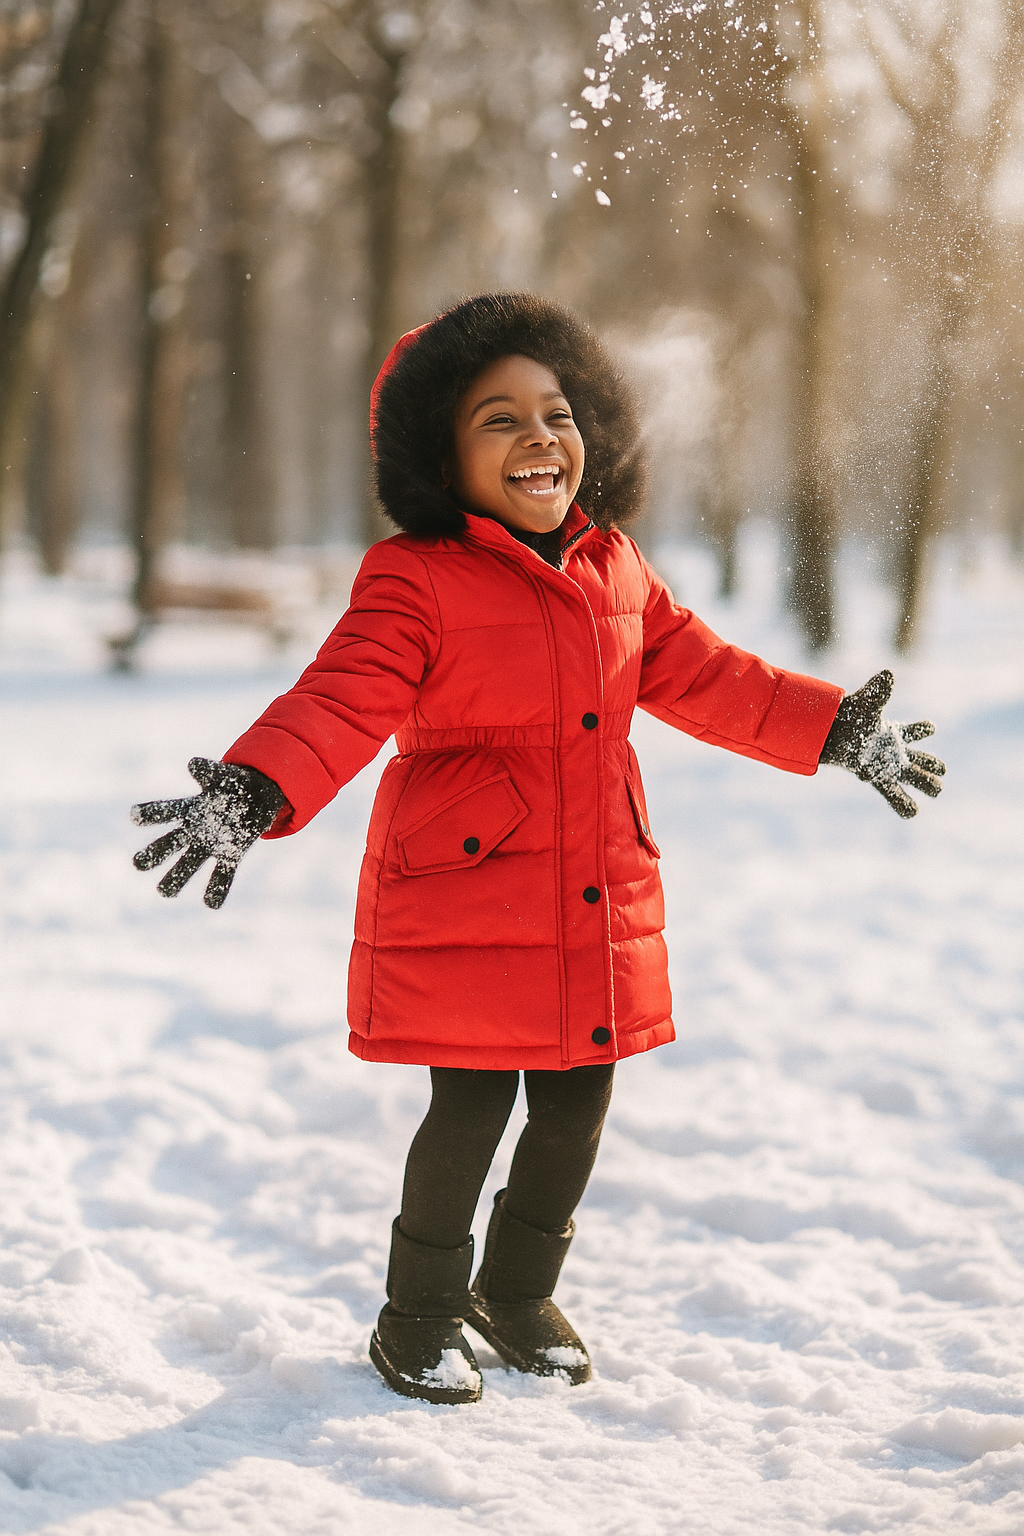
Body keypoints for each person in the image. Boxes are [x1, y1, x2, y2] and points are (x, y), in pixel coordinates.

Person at [132, 293, 945, 1405]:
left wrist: (829, 725)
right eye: (497, 420)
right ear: (439, 453)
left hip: (589, 891)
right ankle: (416, 1312)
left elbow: (705, 674)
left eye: (555, 413)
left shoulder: (615, 569)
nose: (538, 440)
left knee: (576, 1104)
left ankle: (513, 1291)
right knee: (468, 1108)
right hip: (464, 894)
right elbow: (342, 694)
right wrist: (256, 783)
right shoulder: (415, 580)